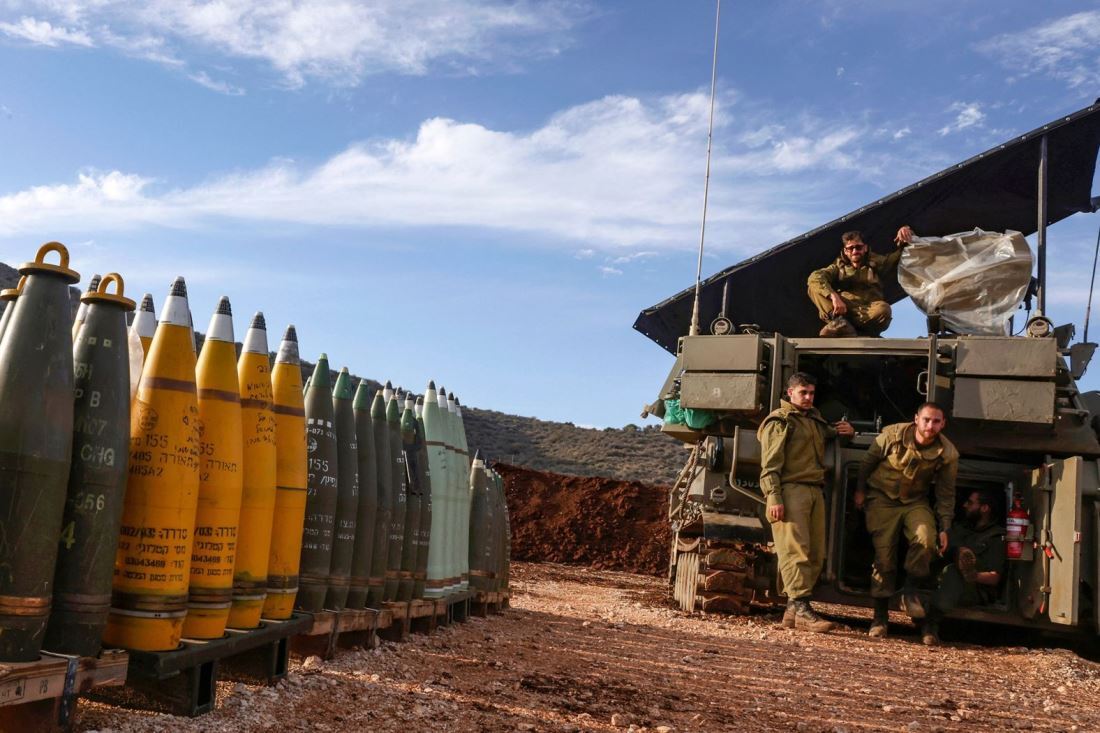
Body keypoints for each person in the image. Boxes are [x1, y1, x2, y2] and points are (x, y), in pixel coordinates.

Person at [759, 372, 854, 632]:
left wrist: (844, 432)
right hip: (790, 491)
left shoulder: (813, 419)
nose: (809, 398)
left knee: (815, 553)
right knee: (795, 551)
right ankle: (802, 608)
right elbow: (769, 465)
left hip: (813, 490)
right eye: (804, 393)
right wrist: (774, 497)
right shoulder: (780, 421)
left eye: (812, 393)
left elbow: (828, 433)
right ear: (790, 393)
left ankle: (793, 612)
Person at [854, 402, 958, 638]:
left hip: (914, 501)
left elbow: (945, 494)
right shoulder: (893, 435)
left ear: (943, 424)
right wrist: (860, 490)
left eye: (936, 421)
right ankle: (880, 619)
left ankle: (909, 589)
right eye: (926, 420)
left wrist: (945, 527)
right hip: (881, 498)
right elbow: (867, 463)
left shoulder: (947, 453)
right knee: (884, 557)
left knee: (925, 540)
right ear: (916, 419)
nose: (930, 426)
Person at [921, 489, 1006, 645]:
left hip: (974, 589)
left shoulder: (996, 537)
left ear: (985, 508)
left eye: (971, 502)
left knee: (953, 573)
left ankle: (930, 625)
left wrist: (972, 575)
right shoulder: (961, 529)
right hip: (942, 582)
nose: (965, 505)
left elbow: (995, 578)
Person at [807, 226, 914, 337]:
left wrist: (907, 232)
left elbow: (900, 256)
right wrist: (833, 296)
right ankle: (840, 324)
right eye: (850, 248)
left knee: (884, 309)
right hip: (843, 310)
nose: (854, 251)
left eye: (858, 247)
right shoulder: (838, 267)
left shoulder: (876, 263)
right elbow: (815, 277)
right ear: (845, 251)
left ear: (865, 248)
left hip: (867, 311)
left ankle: (856, 331)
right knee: (814, 288)